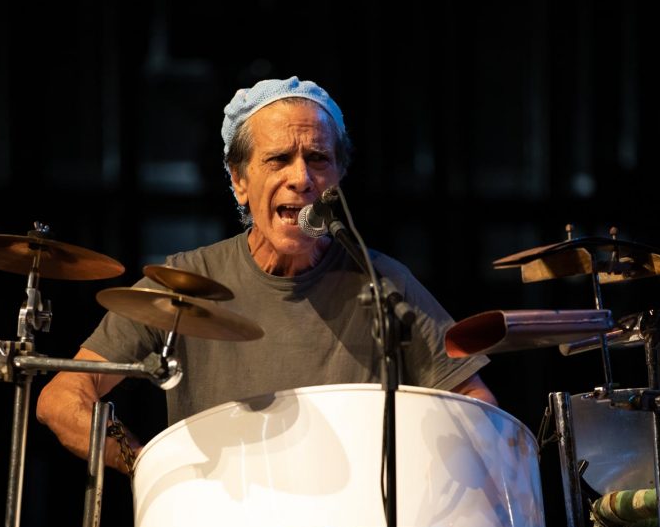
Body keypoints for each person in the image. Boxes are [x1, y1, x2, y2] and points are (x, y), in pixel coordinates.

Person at [36, 76, 494, 472]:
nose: (302, 178)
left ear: (338, 177)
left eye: (318, 159)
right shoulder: (183, 282)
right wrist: (150, 468)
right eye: (278, 160)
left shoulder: (383, 283)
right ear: (238, 181)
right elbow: (63, 397)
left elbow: (478, 408)